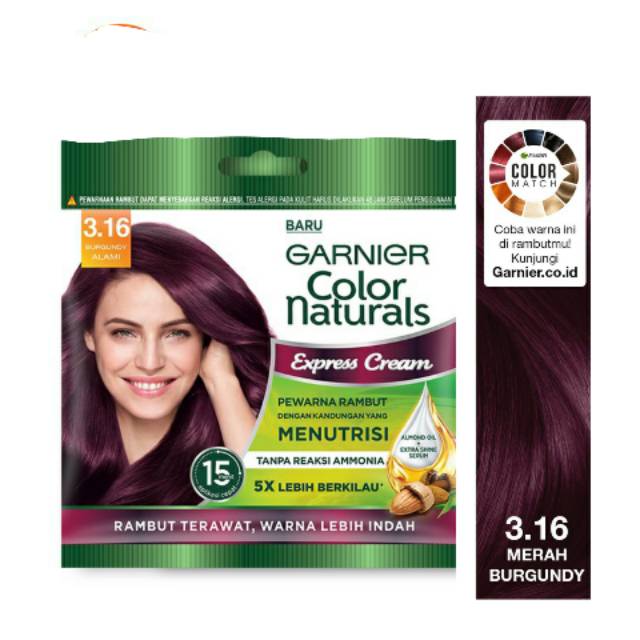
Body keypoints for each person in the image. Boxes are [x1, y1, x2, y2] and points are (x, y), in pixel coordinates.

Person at [62, 222, 271, 505]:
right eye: (124, 332)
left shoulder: (226, 456)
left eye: (176, 333)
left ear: (207, 339)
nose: (150, 362)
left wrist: (223, 382)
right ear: (88, 334)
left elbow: (274, 523)